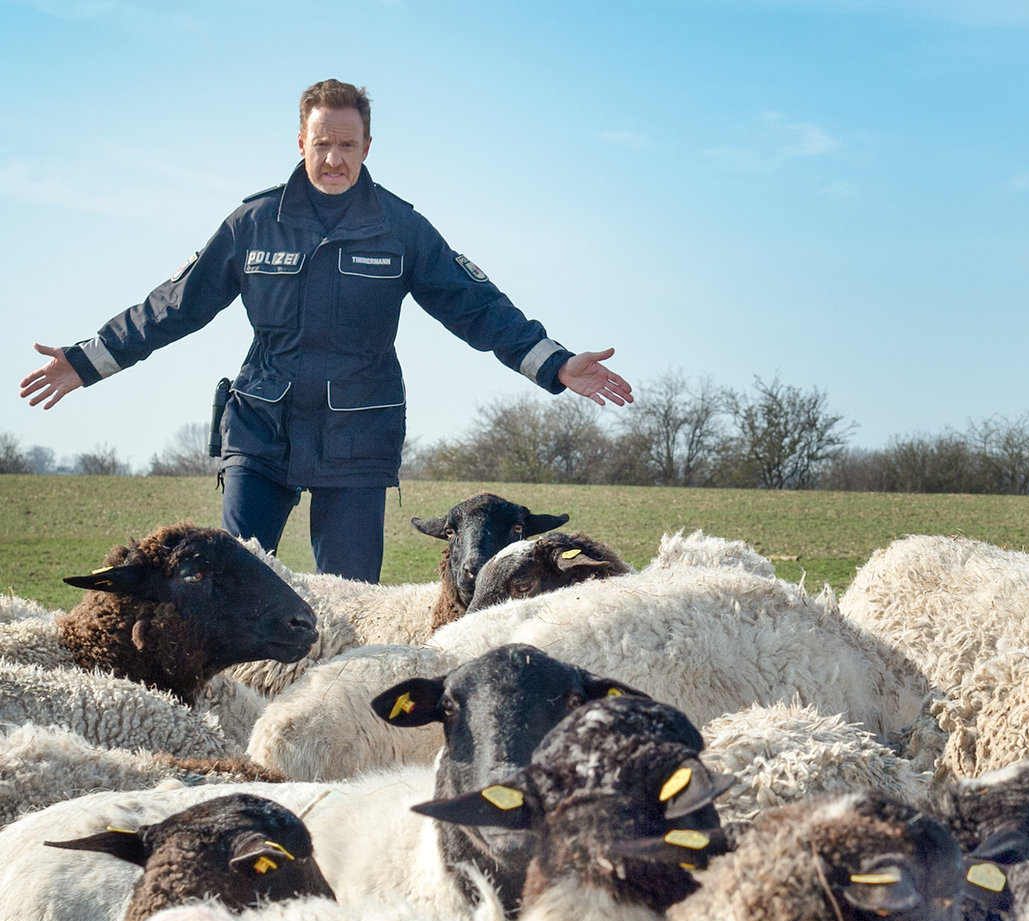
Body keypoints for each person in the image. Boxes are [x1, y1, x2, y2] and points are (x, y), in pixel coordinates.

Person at [20, 79, 631, 583]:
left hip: (358, 440)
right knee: (229, 587)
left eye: (347, 144)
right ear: (300, 141)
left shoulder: (401, 228)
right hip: (260, 431)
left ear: (368, 145)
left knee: (350, 601)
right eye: (322, 144)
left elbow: (473, 305)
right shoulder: (254, 222)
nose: (334, 159)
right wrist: (87, 359)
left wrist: (554, 362)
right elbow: (178, 303)